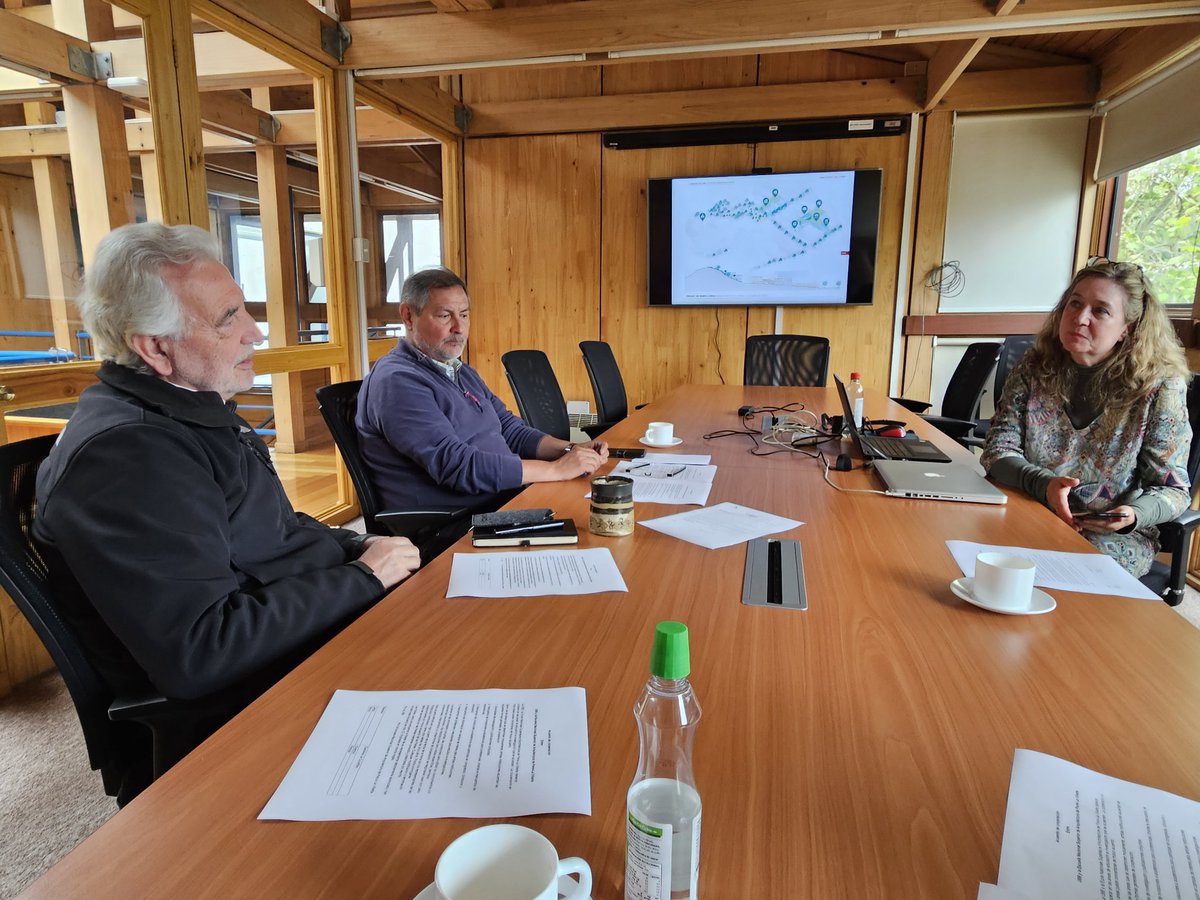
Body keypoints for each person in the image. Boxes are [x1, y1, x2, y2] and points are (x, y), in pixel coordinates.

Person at [34, 222, 420, 798]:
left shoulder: (193, 407)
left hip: (311, 637)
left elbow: (276, 532)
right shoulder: (128, 457)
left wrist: (357, 546)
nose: (256, 332)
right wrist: (364, 578)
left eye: (243, 310)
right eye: (228, 319)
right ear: (154, 347)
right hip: (256, 700)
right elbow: (202, 651)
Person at [981, 258, 1192, 577]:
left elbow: (1174, 490)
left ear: (1127, 329)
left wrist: (1133, 514)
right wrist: (1044, 485)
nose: (1080, 318)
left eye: (1100, 311)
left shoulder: (1159, 387)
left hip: (1107, 538)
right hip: (1030, 509)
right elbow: (998, 451)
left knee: (1058, 587)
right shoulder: (1035, 367)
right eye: (1074, 304)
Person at [356, 267, 608, 520]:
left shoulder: (460, 371)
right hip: (460, 521)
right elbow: (457, 466)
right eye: (445, 316)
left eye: (464, 315)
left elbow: (510, 431)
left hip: (504, 497)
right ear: (408, 316)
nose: (459, 328)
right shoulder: (397, 382)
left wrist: (571, 450)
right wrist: (555, 471)